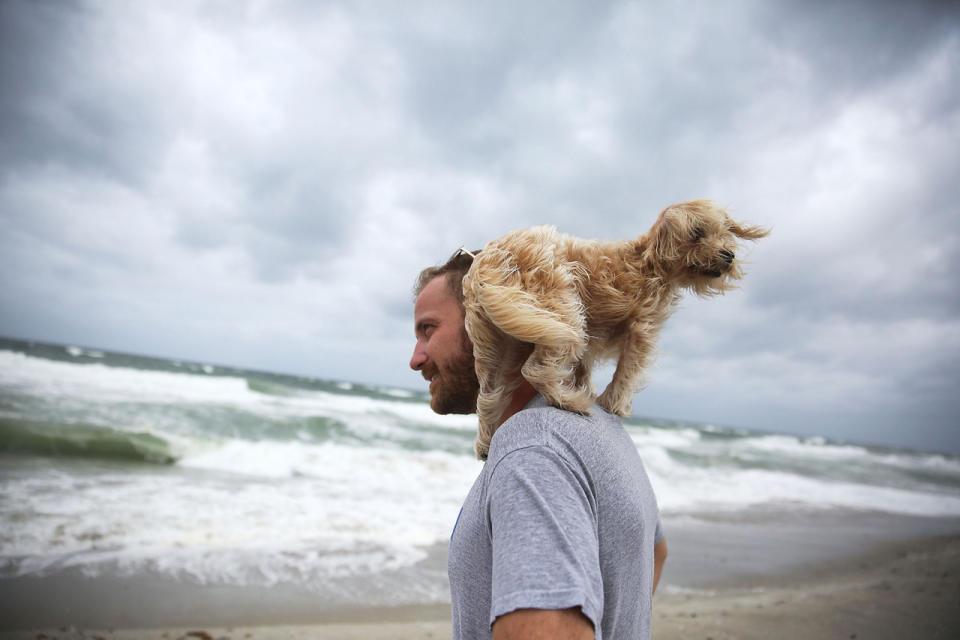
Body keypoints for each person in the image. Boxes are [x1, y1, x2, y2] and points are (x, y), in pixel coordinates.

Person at [411, 248, 667, 640]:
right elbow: (656, 552)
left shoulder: (533, 447)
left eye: (428, 329)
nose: (416, 358)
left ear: (492, 319)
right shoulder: (599, 426)